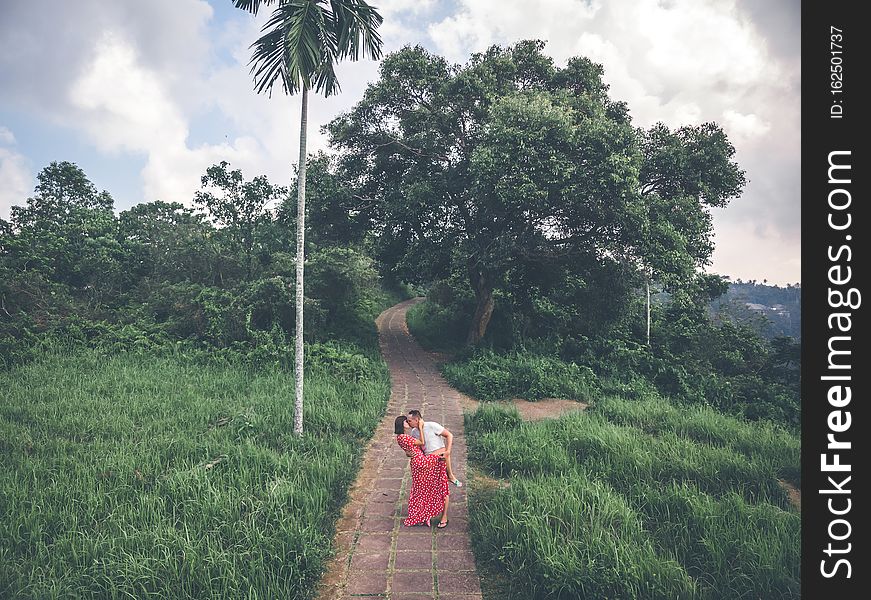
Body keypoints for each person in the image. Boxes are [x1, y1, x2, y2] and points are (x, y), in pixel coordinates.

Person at [394, 415, 450, 528]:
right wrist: (420, 428)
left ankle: (423, 515)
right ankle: (450, 476)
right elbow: (422, 442)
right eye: (406, 422)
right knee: (441, 458)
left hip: (417, 462)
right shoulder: (404, 437)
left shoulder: (401, 437)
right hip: (421, 462)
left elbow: (409, 450)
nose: (408, 423)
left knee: (420, 490)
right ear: (402, 424)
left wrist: (408, 453)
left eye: (409, 421)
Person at [406, 409, 462, 487]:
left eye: (409, 421)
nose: (408, 423)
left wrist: (448, 450)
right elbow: (415, 447)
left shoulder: (431, 425)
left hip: (440, 454)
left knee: (443, 456)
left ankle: (450, 475)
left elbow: (449, 435)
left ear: (416, 420)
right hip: (428, 458)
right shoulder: (414, 432)